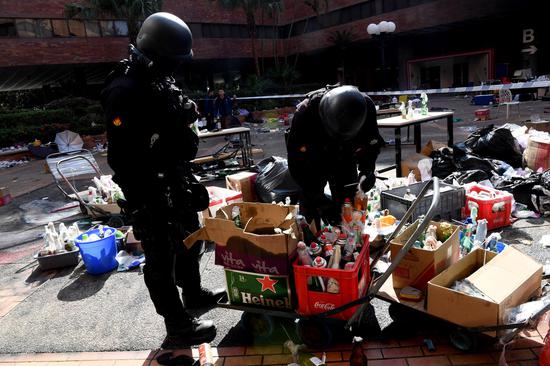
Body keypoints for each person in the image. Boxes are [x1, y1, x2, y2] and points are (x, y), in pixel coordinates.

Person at [101, 12, 225, 349]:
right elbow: (124, 157)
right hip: (147, 185)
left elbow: (173, 114)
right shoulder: (124, 89)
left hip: (174, 175)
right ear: (156, 53)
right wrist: (145, 199)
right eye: (173, 61)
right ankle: (177, 326)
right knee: (161, 254)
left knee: (190, 236)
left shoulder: (158, 78)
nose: (177, 68)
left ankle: (193, 293)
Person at [287, 85, 385, 225]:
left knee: (347, 208)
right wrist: (319, 200)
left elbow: (371, 144)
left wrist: (367, 169)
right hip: (314, 161)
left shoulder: (365, 108)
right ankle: (310, 241)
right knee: (310, 214)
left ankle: (348, 241)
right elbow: (296, 166)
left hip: (345, 157)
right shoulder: (306, 113)